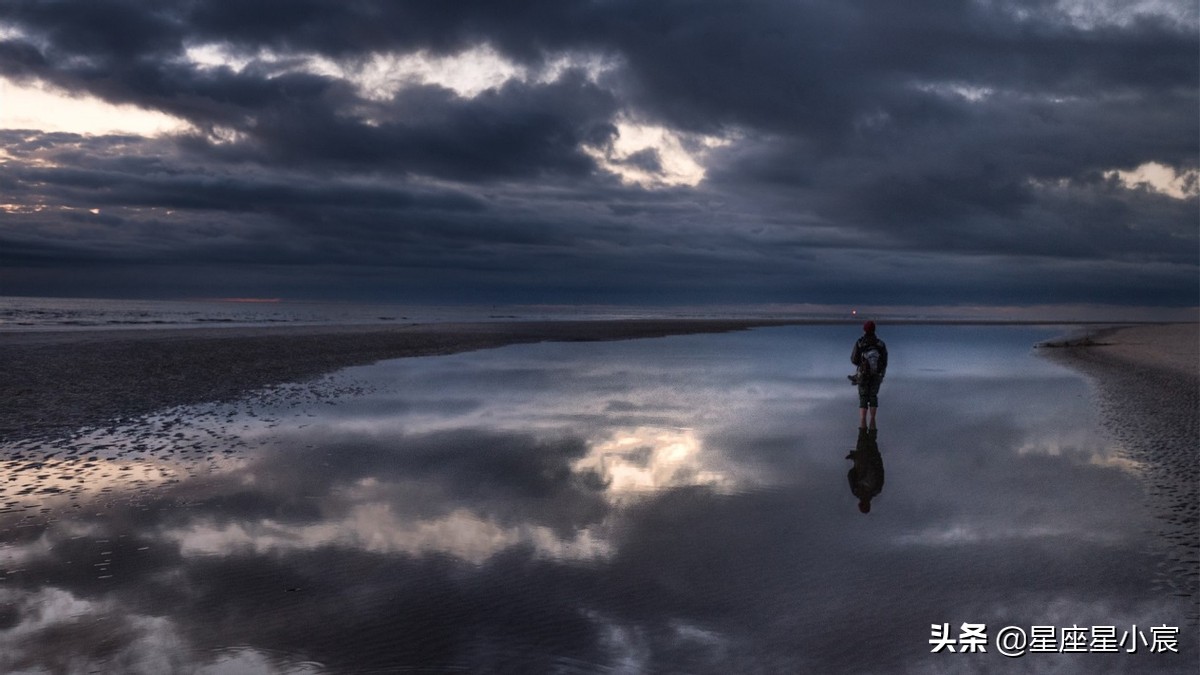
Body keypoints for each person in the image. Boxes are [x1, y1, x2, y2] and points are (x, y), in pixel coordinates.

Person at [850, 320, 887, 428]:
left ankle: (862, 422)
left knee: (863, 397)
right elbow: (884, 361)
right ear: (874, 329)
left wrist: (862, 364)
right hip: (877, 374)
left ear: (864, 330)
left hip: (863, 374)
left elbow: (854, 359)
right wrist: (880, 372)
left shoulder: (860, 342)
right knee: (873, 396)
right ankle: (873, 420)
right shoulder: (881, 344)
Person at [846, 426, 884, 514]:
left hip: (868, 456)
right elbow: (851, 474)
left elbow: (880, 470)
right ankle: (867, 414)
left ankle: (869, 414)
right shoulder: (858, 490)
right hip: (864, 457)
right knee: (864, 434)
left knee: (868, 435)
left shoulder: (876, 489)